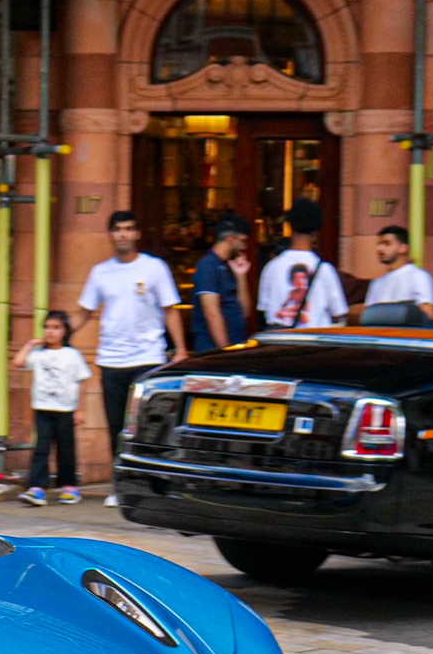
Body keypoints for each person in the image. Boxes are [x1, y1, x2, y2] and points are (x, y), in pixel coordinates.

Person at [69, 210, 185, 506]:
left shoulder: (154, 268)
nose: (123, 234)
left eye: (128, 228)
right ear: (110, 234)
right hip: (112, 360)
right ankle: (120, 486)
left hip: (148, 358)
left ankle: (155, 485)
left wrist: (181, 349)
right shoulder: (101, 272)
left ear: (136, 234)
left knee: (151, 425)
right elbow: (84, 311)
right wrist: (56, 335)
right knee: (116, 427)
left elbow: (170, 309)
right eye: (117, 229)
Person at [14, 311, 90, 506]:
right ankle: (37, 487)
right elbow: (18, 362)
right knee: (42, 446)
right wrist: (30, 344)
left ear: (65, 331)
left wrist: (80, 409)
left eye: (56, 328)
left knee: (66, 448)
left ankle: (69, 486)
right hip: (43, 408)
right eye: (47, 327)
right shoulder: (39, 355)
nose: (50, 332)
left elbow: (83, 382)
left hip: (65, 409)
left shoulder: (72, 355)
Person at [256, 198, 348, 330]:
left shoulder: (271, 268)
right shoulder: (325, 270)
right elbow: (339, 313)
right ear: (316, 232)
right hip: (314, 344)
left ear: (290, 227)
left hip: (278, 344)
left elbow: (264, 310)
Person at [192, 216, 254, 351]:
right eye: (242, 241)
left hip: (235, 346)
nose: (244, 247)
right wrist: (225, 351)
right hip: (213, 350)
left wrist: (241, 276)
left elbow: (245, 312)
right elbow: (212, 313)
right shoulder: (208, 266)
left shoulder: (229, 266)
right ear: (231, 239)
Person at [365, 225, 433, 320]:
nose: (380, 249)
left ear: (403, 248)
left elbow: (428, 316)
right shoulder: (376, 284)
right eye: (379, 244)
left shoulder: (419, 277)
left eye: (386, 244)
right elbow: (368, 317)